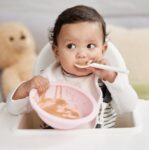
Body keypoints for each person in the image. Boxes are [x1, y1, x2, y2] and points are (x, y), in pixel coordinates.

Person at [7, 5, 138, 129]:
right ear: (57, 52)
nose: (82, 54)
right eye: (71, 46)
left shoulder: (108, 78)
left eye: (90, 46)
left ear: (103, 50)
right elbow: (13, 109)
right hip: (55, 140)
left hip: (102, 140)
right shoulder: (47, 79)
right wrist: (26, 87)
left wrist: (111, 77)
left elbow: (129, 107)